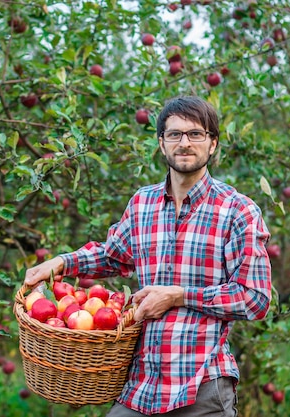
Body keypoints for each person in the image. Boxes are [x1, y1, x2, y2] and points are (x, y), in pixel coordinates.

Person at [24, 95, 272, 416]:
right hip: (141, 386)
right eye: (174, 134)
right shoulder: (143, 204)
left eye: (196, 134)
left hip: (200, 386)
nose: (184, 143)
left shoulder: (237, 211)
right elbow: (112, 257)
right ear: (161, 143)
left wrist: (179, 296)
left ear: (212, 144)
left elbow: (255, 297)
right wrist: (59, 262)